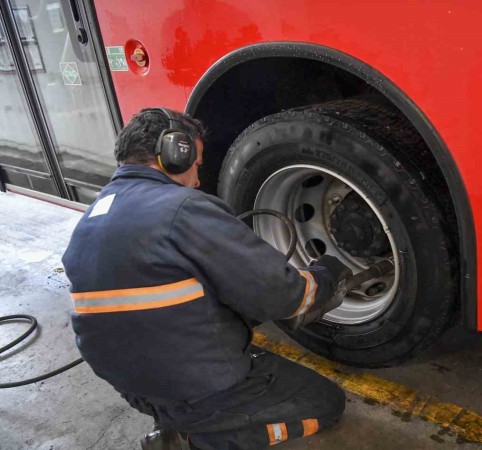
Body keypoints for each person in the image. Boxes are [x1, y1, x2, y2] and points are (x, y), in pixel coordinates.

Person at [62, 108, 349, 450]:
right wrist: (326, 276)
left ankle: (177, 423)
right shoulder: (183, 206)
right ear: (174, 153)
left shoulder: (93, 215)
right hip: (195, 389)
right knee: (325, 402)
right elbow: (285, 296)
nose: (197, 179)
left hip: (135, 391)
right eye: (196, 164)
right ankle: (195, 440)